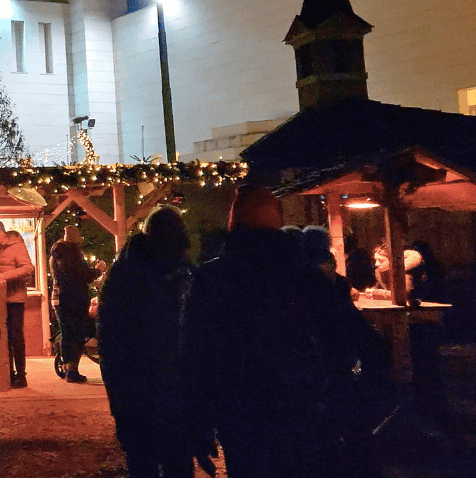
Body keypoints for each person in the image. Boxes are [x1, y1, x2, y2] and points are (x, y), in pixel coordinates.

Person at [183, 185, 360, 478]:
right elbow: (341, 341)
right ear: (277, 222)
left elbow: (196, 355)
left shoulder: (211, 279)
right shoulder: (309, 278)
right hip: (303, 406)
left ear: (233, 223)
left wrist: (199, 424)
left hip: (240, 411)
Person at [98, 207, 198, 477]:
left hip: (143, 389)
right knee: (167, 460)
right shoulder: (178, 273)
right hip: (153, 387)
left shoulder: (124, 276)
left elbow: (109, 341)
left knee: (149, 460)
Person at [0, 221, 34, 388]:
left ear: (2, 232)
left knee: (16, 337)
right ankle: (9, 373)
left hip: (15, 297)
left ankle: (21, 375)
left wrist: (5, 276)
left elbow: (28, 268)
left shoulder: (16, 246)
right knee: (4, 337)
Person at [51, 232, 101, 383]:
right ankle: (72, 370)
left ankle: (67, 367)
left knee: (67, 332)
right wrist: (98, 270)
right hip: (74, 299)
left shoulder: (56, 254)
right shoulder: (70, 256)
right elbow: (82, 275)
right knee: (76, 333)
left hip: (59, 298)